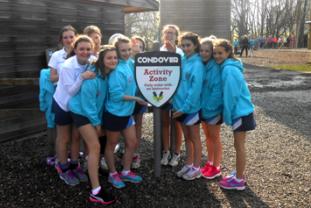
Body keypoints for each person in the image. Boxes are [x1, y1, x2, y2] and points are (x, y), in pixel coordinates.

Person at [68, 45, 117, 205]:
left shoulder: (106, 74)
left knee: (93, 147)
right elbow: (87, 103)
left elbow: (100, 101)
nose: (113, 60)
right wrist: (96, 123)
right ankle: (95, 191)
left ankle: (91, 172)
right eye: (109, 58)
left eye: (115, 57)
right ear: (102, 60)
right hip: (81, 111)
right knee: (95, 146)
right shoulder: (93, 76)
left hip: (91, 112)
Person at [103, 36, 148, 189]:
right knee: (111, 144)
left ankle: (126, 171)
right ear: (117, 51)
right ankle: (113, 173)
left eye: (129, 49)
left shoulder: (130, 63)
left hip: (127, 114)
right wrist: (137, 99)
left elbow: (145, 70)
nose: (127, 53)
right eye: (123, 50)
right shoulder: (116, 70)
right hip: (115, 114)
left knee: (132, 142)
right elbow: (116, 95)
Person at [53, 35, 96, 186]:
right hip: (63, 104)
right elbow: (71, 91)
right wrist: (82, 77)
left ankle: (75, 165)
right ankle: (63, 168)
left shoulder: (92, 61)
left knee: (77, 136)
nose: (85, 52)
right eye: (81, 49)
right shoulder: (67, 66)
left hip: (79, 106)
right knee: (64, 138)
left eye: (88, 49)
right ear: (75, 50)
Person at [213, 39, 256, 190]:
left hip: (240, 113)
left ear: (228, 53)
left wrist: (228, 115)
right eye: (215, 53)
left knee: (239, 146)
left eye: (220, 53)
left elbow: (231, 95)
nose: (217, 56)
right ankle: (239, 173)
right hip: (242, 111)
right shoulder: (229, 67)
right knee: (238, 145)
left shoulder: (228, 70)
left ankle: (238, 180)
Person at [172, 32, 204, 180]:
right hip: (179, 107)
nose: (185, 48)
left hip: (190, 109)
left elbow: (195, 90)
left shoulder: (197, 64)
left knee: (194, 138)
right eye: (183, 45)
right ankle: (189, 163)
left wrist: (184, 108)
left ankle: (197, 168)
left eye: (188, 45)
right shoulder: (183, 60)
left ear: (195, 45)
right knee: (187, 138)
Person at [160, 24, 184, 167]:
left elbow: (181, 70)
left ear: (177, 36)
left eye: (172, 33)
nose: (169, 35)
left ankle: (176, 152)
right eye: (167, 32)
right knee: (164, 123)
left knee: (177, 125)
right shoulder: (160, 50)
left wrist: (174, 52)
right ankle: (165, 151)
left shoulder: (180, 52)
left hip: (177, 94)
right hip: (162, 92)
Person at [199, 37, 223, 180]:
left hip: (212, 110)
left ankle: (216, 167)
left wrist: (209, 108)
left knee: (215, 138)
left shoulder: (215, 67)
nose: (204, 53)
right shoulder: (204, 65)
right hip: (204, 109)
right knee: (208, 137)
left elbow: (217, 91)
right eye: (201, 50)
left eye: (207, 51)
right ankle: (210, 161)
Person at [130, 35, 147, 169]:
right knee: (124, 127)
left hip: (140, 98)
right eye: (135, 46)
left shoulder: (145, 62)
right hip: (126, 100)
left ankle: (136, 153)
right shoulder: (124, 61)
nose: (137, 49)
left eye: (141, 47)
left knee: (138, 126)